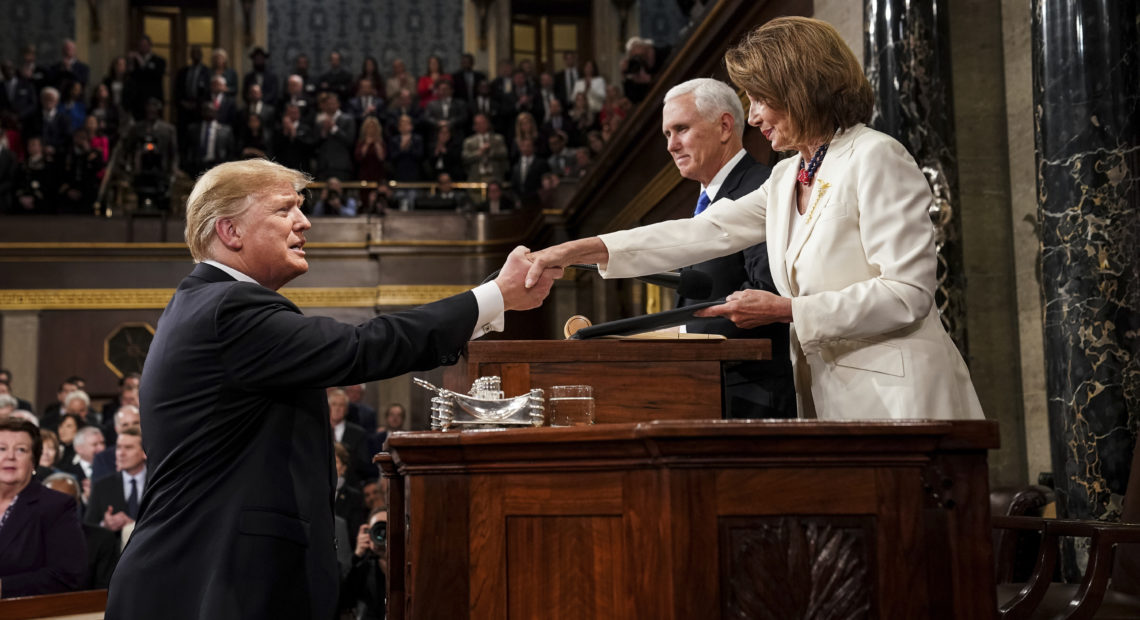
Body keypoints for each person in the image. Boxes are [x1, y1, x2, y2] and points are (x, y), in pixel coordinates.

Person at [104, 158, 560, 619]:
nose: (304, 222)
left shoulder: (208, 305)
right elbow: (361, 346)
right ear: (230, 231)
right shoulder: (228, 309)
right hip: (213, 586)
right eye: (285, 210)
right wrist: (496, 296)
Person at [524, 17, 985, 422]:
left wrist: (788, 311)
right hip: (831, 402)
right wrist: (576, 251)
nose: (755, 115)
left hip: (905, 401)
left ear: (802, 87)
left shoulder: (876, 156)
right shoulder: (787, 175)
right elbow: (700, 232)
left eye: (761, 98)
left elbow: (907, 295)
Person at [659, 78, 794, 419]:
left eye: (681, 129)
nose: (672, 145)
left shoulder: (761, 188)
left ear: (724, 126)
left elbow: (767, 288)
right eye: (667, 135)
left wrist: (677, 336)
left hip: (756, 397)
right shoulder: (706, 200)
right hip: (711, 390)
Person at [0, 417, 87, 598]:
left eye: (21, 450)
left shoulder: (56, 506)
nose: (9, 456)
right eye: (1, 448)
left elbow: (67, 576)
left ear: (34, 461)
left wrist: (3, 588)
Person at [42, 472, 119, 590]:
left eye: (66, 501)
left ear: (77, 503)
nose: (58, 507)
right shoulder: (27, 540)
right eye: (52, 501)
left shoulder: (102, 540)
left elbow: (105, 592)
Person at [85, 427, 146, 539]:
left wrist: (132, 525)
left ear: (144, 453)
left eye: (128, 448)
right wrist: (105, 525)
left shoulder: (159, 483)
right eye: (118, 447)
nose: (121, 453)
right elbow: (88, 526)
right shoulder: (102, 485)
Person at [339, 507, 388, 619]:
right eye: (377, 530)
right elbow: (344, 600)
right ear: (368, 533)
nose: (382, 535)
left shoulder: (406, 567)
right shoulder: (363, 568)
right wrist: (357, 555)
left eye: (385, 529)